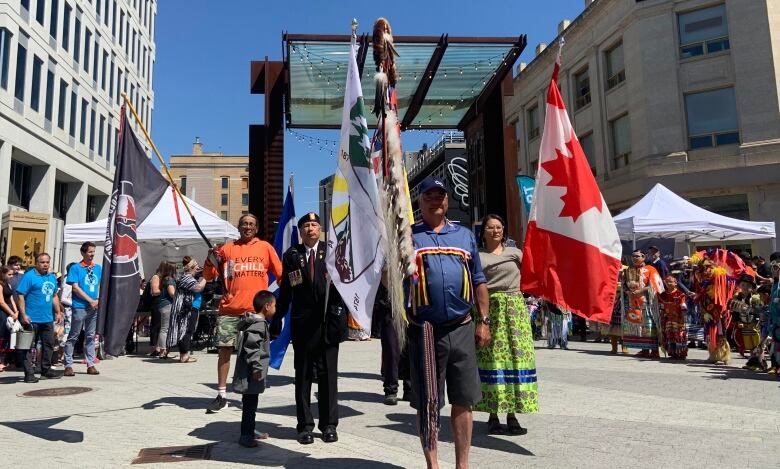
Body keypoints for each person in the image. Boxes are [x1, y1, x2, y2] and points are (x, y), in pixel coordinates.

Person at [405, 176, 489, 469]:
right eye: (429, 195)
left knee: (464, 399)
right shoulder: (408, 236)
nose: (435, 199)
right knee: (428, 401)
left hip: (463, 325)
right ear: (419, 200)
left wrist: (484, 321)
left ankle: (462, 464)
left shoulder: (464, 235)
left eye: (440, 195)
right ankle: (433, 464)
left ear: (447, 200)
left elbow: (478, 280)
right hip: (425, 330)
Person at [276, 212, 347, 445]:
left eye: (314, 225)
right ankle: (304, 425)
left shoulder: (333, 250)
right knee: (304, 375)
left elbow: (345, 285)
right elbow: (287, 290)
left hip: (328, 323)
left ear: (320, 229)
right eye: (306, 225)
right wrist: (277, 317)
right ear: (301, 231)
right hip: (303, 323)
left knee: (328, 376)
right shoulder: (292, 255)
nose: (310, 229)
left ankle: (328, 425)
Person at [203, 213, 282, 414]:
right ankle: (222, 395)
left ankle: (249, 396)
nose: (247, 227)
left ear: (256, 229)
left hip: (255, 313)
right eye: (244, 224)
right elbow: (208, 275)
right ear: (238, 227)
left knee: (253, 354)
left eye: (251, 224)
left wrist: (285, 301)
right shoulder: (227, 249)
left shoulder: (265, 247)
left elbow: (281, 275)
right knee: (224, 352)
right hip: (229, 309)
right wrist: (211, 258)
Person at [473, 214, 538, 436]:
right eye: (490, 227)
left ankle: (512, 415)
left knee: (516, 360)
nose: (495, 231)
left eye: (499, 227)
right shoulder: (477, 257)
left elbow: (532, 277)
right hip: (489, 310)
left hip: (515, 312)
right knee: (493, 362)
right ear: (483, 232)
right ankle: (493, 415)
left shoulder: (515, 253)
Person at [233, 290, 275, 448]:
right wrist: (257, 368)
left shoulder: (255, 322)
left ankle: (250, 431)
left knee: (250, 404)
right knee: (250, 406)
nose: (275, 309)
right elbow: (252, 348)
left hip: (251, 373)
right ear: (267, 307)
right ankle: (246, 436)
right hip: (251, 374)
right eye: (274, 305)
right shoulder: (258, 325)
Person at [16, 253, 63, 382]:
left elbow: (54, 296)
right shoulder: (29, 276)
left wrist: (58, 312)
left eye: (47, 262)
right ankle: (29, 373)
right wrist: (24, 314)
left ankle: (46, 370)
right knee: (27, 346)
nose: (45, 265)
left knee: (48, 344)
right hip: (31, 319)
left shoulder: (51, 277)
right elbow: (20, 296)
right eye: (42, 262)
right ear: (37, 263)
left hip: (47, 319)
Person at [63, 242, 102, 376]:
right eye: (90, 252)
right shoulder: (76, 268)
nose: (92, 254)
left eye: (93, 252)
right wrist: (90, 300)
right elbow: (75, 287)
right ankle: (68, 364)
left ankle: (90, 363)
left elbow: (101, 285)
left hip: (94, 307)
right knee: (74, 335)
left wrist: (97, 300)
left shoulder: (98, 268)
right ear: (83, 253)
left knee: (91, 336)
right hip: (80, 306)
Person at [622, 250, 664, 358]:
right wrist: (628, 292)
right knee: (639, 327)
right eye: (633, 256)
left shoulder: (651, 269)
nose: (634, 258)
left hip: (648, 303)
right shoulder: (629, 270)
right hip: (634, 303)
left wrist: (642, 290)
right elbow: (624, 285)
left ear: (643, 257)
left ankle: (655, 351)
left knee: (650, 326)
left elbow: (656, 285)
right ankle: (644, 350)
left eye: (637, 256)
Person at [166, 256, 207, 363]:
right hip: (187, 308)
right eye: (197, 267)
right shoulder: (186, 277)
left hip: (192, 307)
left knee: (189, 330)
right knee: (186, 330)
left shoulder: (189, 277)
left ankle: (184, 354)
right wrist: (205, 278)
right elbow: (198, 287)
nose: (198, 270)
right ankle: (184, 356)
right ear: (192, 268)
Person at [658, 274, 688, 359]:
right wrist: (662, 317)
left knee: (679, 335)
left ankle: (681, 354)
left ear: (675, 283)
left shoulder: (680, 294)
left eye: (670, 282)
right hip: (668, 319)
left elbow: (683, 307)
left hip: (678, 319)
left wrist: (682, 317)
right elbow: (662, 308)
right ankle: (673, 353)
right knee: (669, 335)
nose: (668, 283)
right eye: (667, 282)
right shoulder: (663, 295)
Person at [155, 262, 177, 359]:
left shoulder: (164, 279)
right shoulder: (170, 279)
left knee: (164, 328)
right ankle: (163, 351)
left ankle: (163, 350)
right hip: (168, 305)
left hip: (163, 305)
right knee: (165, 329)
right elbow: (172, 293)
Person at [0, 266, 20, 371]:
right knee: (1, 337)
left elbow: (12, 298)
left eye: (12, 274)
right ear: (3, 274)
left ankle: (5, 360)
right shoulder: (0, 285)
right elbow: (2, 302)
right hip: (2, 313)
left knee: (8, 337)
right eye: (9, 274)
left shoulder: (8, 284)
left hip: (10, 313)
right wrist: (12, 313)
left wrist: (16, 311)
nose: (11, 277)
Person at [147, 262, 166, 355]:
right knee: (156, 326)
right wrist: (165, 289)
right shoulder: (155, 277)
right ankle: (154, 348)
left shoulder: (160, 278)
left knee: (160, 326)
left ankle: (158, 347)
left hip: (160, 303)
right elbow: (155, 291)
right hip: (156, 304)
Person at [766, 256, 780, 373]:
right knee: (774, 346)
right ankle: (776, 366)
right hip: (774, 321)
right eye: (772, 269)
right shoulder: (775, 285)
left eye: (775, 268)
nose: (773, 271)